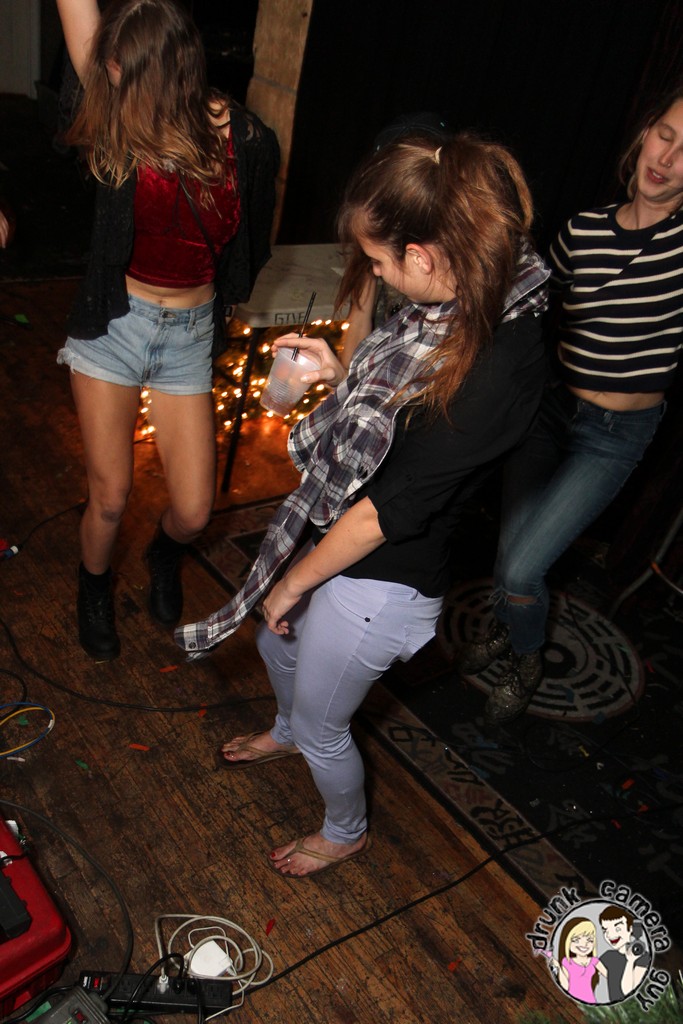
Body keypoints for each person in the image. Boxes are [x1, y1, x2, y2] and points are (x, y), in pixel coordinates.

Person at [174, 132, 550, 876]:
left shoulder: (497, 364)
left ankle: (345, 829)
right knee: (275, 644)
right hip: (352, 540)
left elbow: (387, 509)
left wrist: (291, 579)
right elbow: (404, 425)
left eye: (379, 261)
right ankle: (288, 729)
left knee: (325, 725)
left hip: (386, 579)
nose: (374, 274)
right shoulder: (460, 304)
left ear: (423, 256)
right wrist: (343, 377)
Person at [54, 0, 278, 661]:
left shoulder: (247, 141)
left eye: (122, 73)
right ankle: (93, 585)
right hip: (114, 325)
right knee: (110, 497)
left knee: (194, 511)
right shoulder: (119, 121)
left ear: (168, 72)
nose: (110, 83)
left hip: (188, 334)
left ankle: (162, 554)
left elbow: (250, 244)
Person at [457, 88, 683, 725]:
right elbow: (530, 306)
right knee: (509, 558)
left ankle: (526, 658)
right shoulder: (584, 229)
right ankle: (510, 627)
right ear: (646, 132)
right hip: (549, 414)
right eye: (666, 135)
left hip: (615, 435)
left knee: (522, 568)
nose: (668, 158)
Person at [599, 906, 650, 1001]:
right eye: (605, 930)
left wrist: (630, 961)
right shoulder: (608, 956)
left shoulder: (643, 957)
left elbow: (627, 991)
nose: (610, 935)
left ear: (630, 929)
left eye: (617, 929)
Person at [552, 917, 607, 1003]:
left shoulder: (594, 961)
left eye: (590, 940)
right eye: (576, 940)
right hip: (572, 1001)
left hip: (590, 1001)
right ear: (567, 941)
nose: (584, 944)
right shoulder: (567, 962)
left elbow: (610, 976)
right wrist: (558, 967)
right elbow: (565, 986)